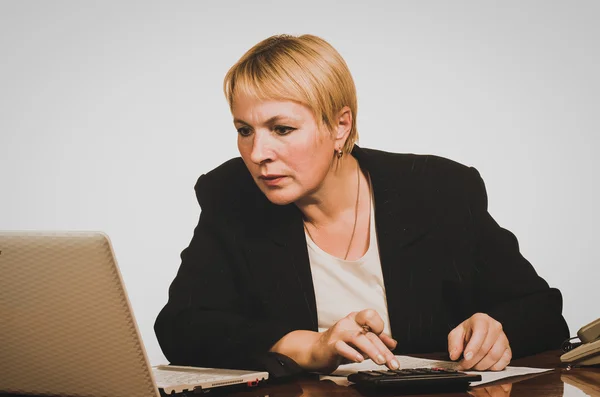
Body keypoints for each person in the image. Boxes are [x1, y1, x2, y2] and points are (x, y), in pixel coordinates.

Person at [154, 34, 569, 375]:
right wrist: (309, 346)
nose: (258, 152)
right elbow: (181, 327)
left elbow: (544, 312)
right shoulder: (231, 193)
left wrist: (500, 330)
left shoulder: (440, 190)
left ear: (340, 125)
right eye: (245, 130)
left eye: (281, 129)